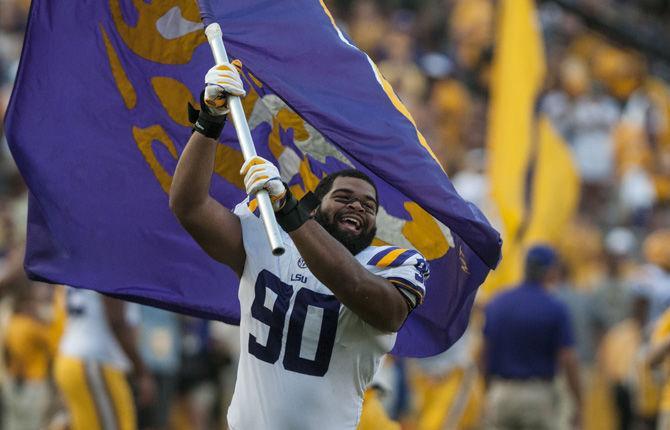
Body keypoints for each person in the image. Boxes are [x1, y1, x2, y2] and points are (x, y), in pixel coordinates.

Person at [169, 62, 429, 429]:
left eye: (369, 206)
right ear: (315, 205)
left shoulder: (389, 263)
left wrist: (289, 212)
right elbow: (190, 207)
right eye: (344, 197)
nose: (358, 206)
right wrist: (210, 119)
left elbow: (375, 302)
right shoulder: (270, 238)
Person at [480, 245, 581, 430]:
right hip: (538, 395)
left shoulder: (498, 302)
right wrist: (578, 401)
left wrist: (489, 389)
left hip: (501, 392)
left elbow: (483, 352)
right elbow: (568, 358)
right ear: (549, 271)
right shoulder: (554, 307)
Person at [54, 287, 155, 430]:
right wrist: (141, 371)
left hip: (73, 358)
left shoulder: (82, 264)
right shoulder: (114, 265)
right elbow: (116, 321)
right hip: (95, 361)